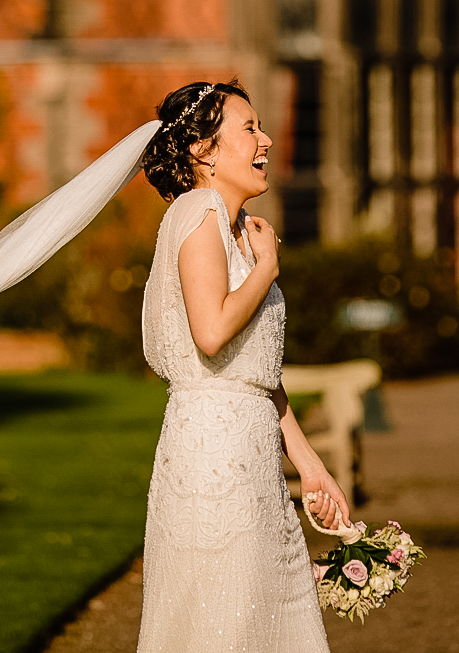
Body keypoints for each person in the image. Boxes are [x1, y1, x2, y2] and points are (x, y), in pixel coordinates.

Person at [135, 80, 350, 652]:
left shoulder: (231, 228)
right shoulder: (200, 212)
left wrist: (310, 466)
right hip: (215, 461)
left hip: (251, 455)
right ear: (204, 151)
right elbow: (211, 334)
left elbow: (257, 374)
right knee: (223, 623)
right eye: (250, 128)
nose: (268, 141)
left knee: (259, 617)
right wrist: (266, 269)